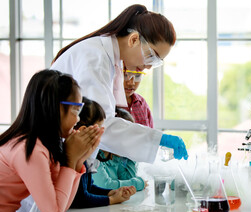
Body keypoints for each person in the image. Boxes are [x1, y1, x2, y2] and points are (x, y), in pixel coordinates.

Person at [50, 4, 188, 165]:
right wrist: (158, 139)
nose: (149, 66)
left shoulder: (108, 59)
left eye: (156, 63)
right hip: (53, 154)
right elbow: (101, 126)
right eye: (151, 56)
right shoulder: (95, 57)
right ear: (134, 39)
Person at [0, 69, 104, 212]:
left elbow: (62, 204)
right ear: (54, 108)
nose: (78, 119)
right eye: (76, 110)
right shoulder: (30, 148)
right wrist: (70, 160)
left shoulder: (46, 144)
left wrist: (78, 160)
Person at [71, 97, 136, 208]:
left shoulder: (85, 157)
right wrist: (111, 200)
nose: (103, 134)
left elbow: (89, 188)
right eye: (99, 128)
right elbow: (81, 198)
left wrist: (111, 192)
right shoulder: (75, 157)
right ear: (83, 130)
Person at [93, 108, 148, 191]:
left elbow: (127, 178)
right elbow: (105, 185)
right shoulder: (95, 156)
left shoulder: (115, 157)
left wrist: (132, 154)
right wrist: (137, 184)